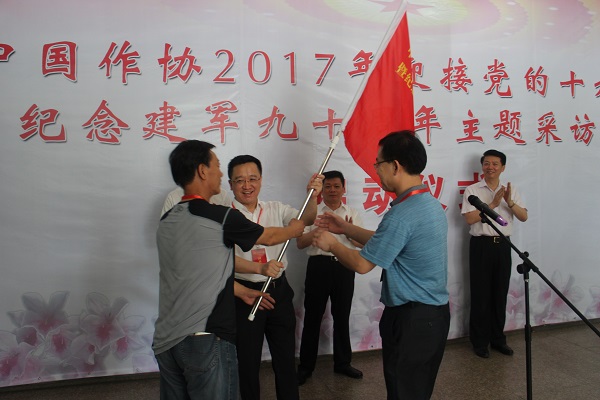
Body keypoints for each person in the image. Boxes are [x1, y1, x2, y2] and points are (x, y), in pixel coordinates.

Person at [152, 140, 305, 400]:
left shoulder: (168, 219)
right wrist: (294, 229)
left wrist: (243, 290)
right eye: (217, 166)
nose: (221, 174)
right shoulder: (220, 217)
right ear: (203, 171)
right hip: (205, 337)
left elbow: (202, 268)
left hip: (166, 339)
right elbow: (268, 237)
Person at [312, 131, 450, 400]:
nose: (376, 170)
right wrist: (346, 228)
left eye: (379, 163)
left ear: (395, 166)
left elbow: (363, 264)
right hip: (432, 317)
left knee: (403, 392)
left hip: (411, 320)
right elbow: (388, 241)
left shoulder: (403, 213)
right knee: (416, 390)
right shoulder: (427, 203)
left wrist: (332, 244)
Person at [228, 154, 323, 400]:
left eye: (252, 179)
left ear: (261, 180)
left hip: (278, 291)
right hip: (244, 294)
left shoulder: (275, 208)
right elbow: (219, 259)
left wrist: (312, 196)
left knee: (285, 359)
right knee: (248, 362)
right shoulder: (225, 215)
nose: (247, 185)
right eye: (240, 180)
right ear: (230, 184)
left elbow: (305, 220)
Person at [296, 170, 364, 385]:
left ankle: (343, 363)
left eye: (336, 186)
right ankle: (305, 367)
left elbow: (362, 244)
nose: (332, 190)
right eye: (328, 186)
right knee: (312, 317)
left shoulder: (352, 213)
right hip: (318, 266)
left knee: (342, 316)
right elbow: (300, 243)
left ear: (344, 188)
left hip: (345, 265)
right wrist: (316, 229)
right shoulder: (313, 211)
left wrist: (348, 231)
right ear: (322, 190)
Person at [461, 149, 528, 359]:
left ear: (503, 167)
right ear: (482, 166)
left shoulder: (510, 190)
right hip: (481, 245)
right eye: (486, 163)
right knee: (480, 295)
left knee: (500, 294)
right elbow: (469, 219)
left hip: (503, 246)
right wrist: (492, 205)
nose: (490, 167)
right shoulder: (472, 190)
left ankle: (498, 339)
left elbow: (523, 217)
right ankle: (480, 342)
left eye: (495, 164)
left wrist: (510, 202)